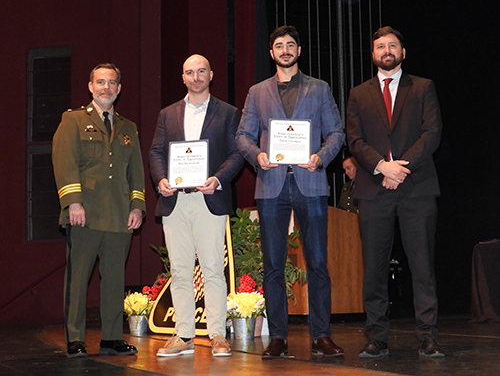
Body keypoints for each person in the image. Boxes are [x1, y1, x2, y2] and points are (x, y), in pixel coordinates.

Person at [236, 26, 345, 359]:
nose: (285, 50)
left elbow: (336, 133)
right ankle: (278, 337)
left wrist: (321, 157)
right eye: (278, 46)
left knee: (318, 263)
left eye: (290, 45)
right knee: (272, 264)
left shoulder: (320, 89)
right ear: (271, 53)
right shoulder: (257, 92)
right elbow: (243, 137)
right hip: (271, 186)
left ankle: (321, 336)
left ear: (299, 50)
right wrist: (258, 156)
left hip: (310, 183)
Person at [346, 26, 444, 358]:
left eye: (392, 45)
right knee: (373, 267)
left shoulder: (423, 87)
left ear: (403, 52)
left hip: (416, 188)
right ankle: (376, 336)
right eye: (380, 46)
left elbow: (432, 133)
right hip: (374, 188)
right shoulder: (358, 93)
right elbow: (354, 140)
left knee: (422, 265)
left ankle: (428, 335)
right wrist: (381, 167)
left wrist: (400, 168)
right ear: (372, 54)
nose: (386, 50)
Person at [149, 54, 244, 357]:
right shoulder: (167, 114)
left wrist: (217, 179)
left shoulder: (228, 113)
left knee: (213, 268)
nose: (196, 77)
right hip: (175, 201)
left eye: (201, 71)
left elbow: (237, 154)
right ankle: (183, 335)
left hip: (209, 199)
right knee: (179, 270)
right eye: (190, 72)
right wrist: (161, 179)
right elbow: (155, 152)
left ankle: (217, 334)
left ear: (211, 75)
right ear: (183, 77)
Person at [52, 63, 146, 358]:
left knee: (115, 280)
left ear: (119, 89)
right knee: (78, 279)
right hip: (85, 213)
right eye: (100, 82)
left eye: (112, 83)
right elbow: (64, 163)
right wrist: (73, 202)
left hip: (120, 216)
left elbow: (136, 172)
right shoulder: (73, 120)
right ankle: (76, 339)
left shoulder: (128, 128)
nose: (106, 88)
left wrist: (138, 206)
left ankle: (111, 338)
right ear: (90, 86)